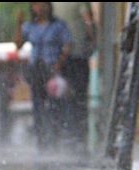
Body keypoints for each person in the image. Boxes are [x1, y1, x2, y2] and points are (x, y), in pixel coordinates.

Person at [15, 2, 72, 151]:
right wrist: (19, 25)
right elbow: (18, 45)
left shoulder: (58, 26)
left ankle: (55, 136)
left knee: (55, 105)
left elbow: (67, 45)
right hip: (36, 69)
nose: (39, 8)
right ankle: (41, 138)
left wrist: (59, 65)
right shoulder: (30, 26)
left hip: (52, 68)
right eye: (36, 5)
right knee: (38, 105)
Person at [53, 3, 95, 154]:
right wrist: (93, 41)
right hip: (77, 54)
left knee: (61, 97)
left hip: (58, 57)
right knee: (79, 97)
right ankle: (78, 136)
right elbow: (88, 21)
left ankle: (64, 134)